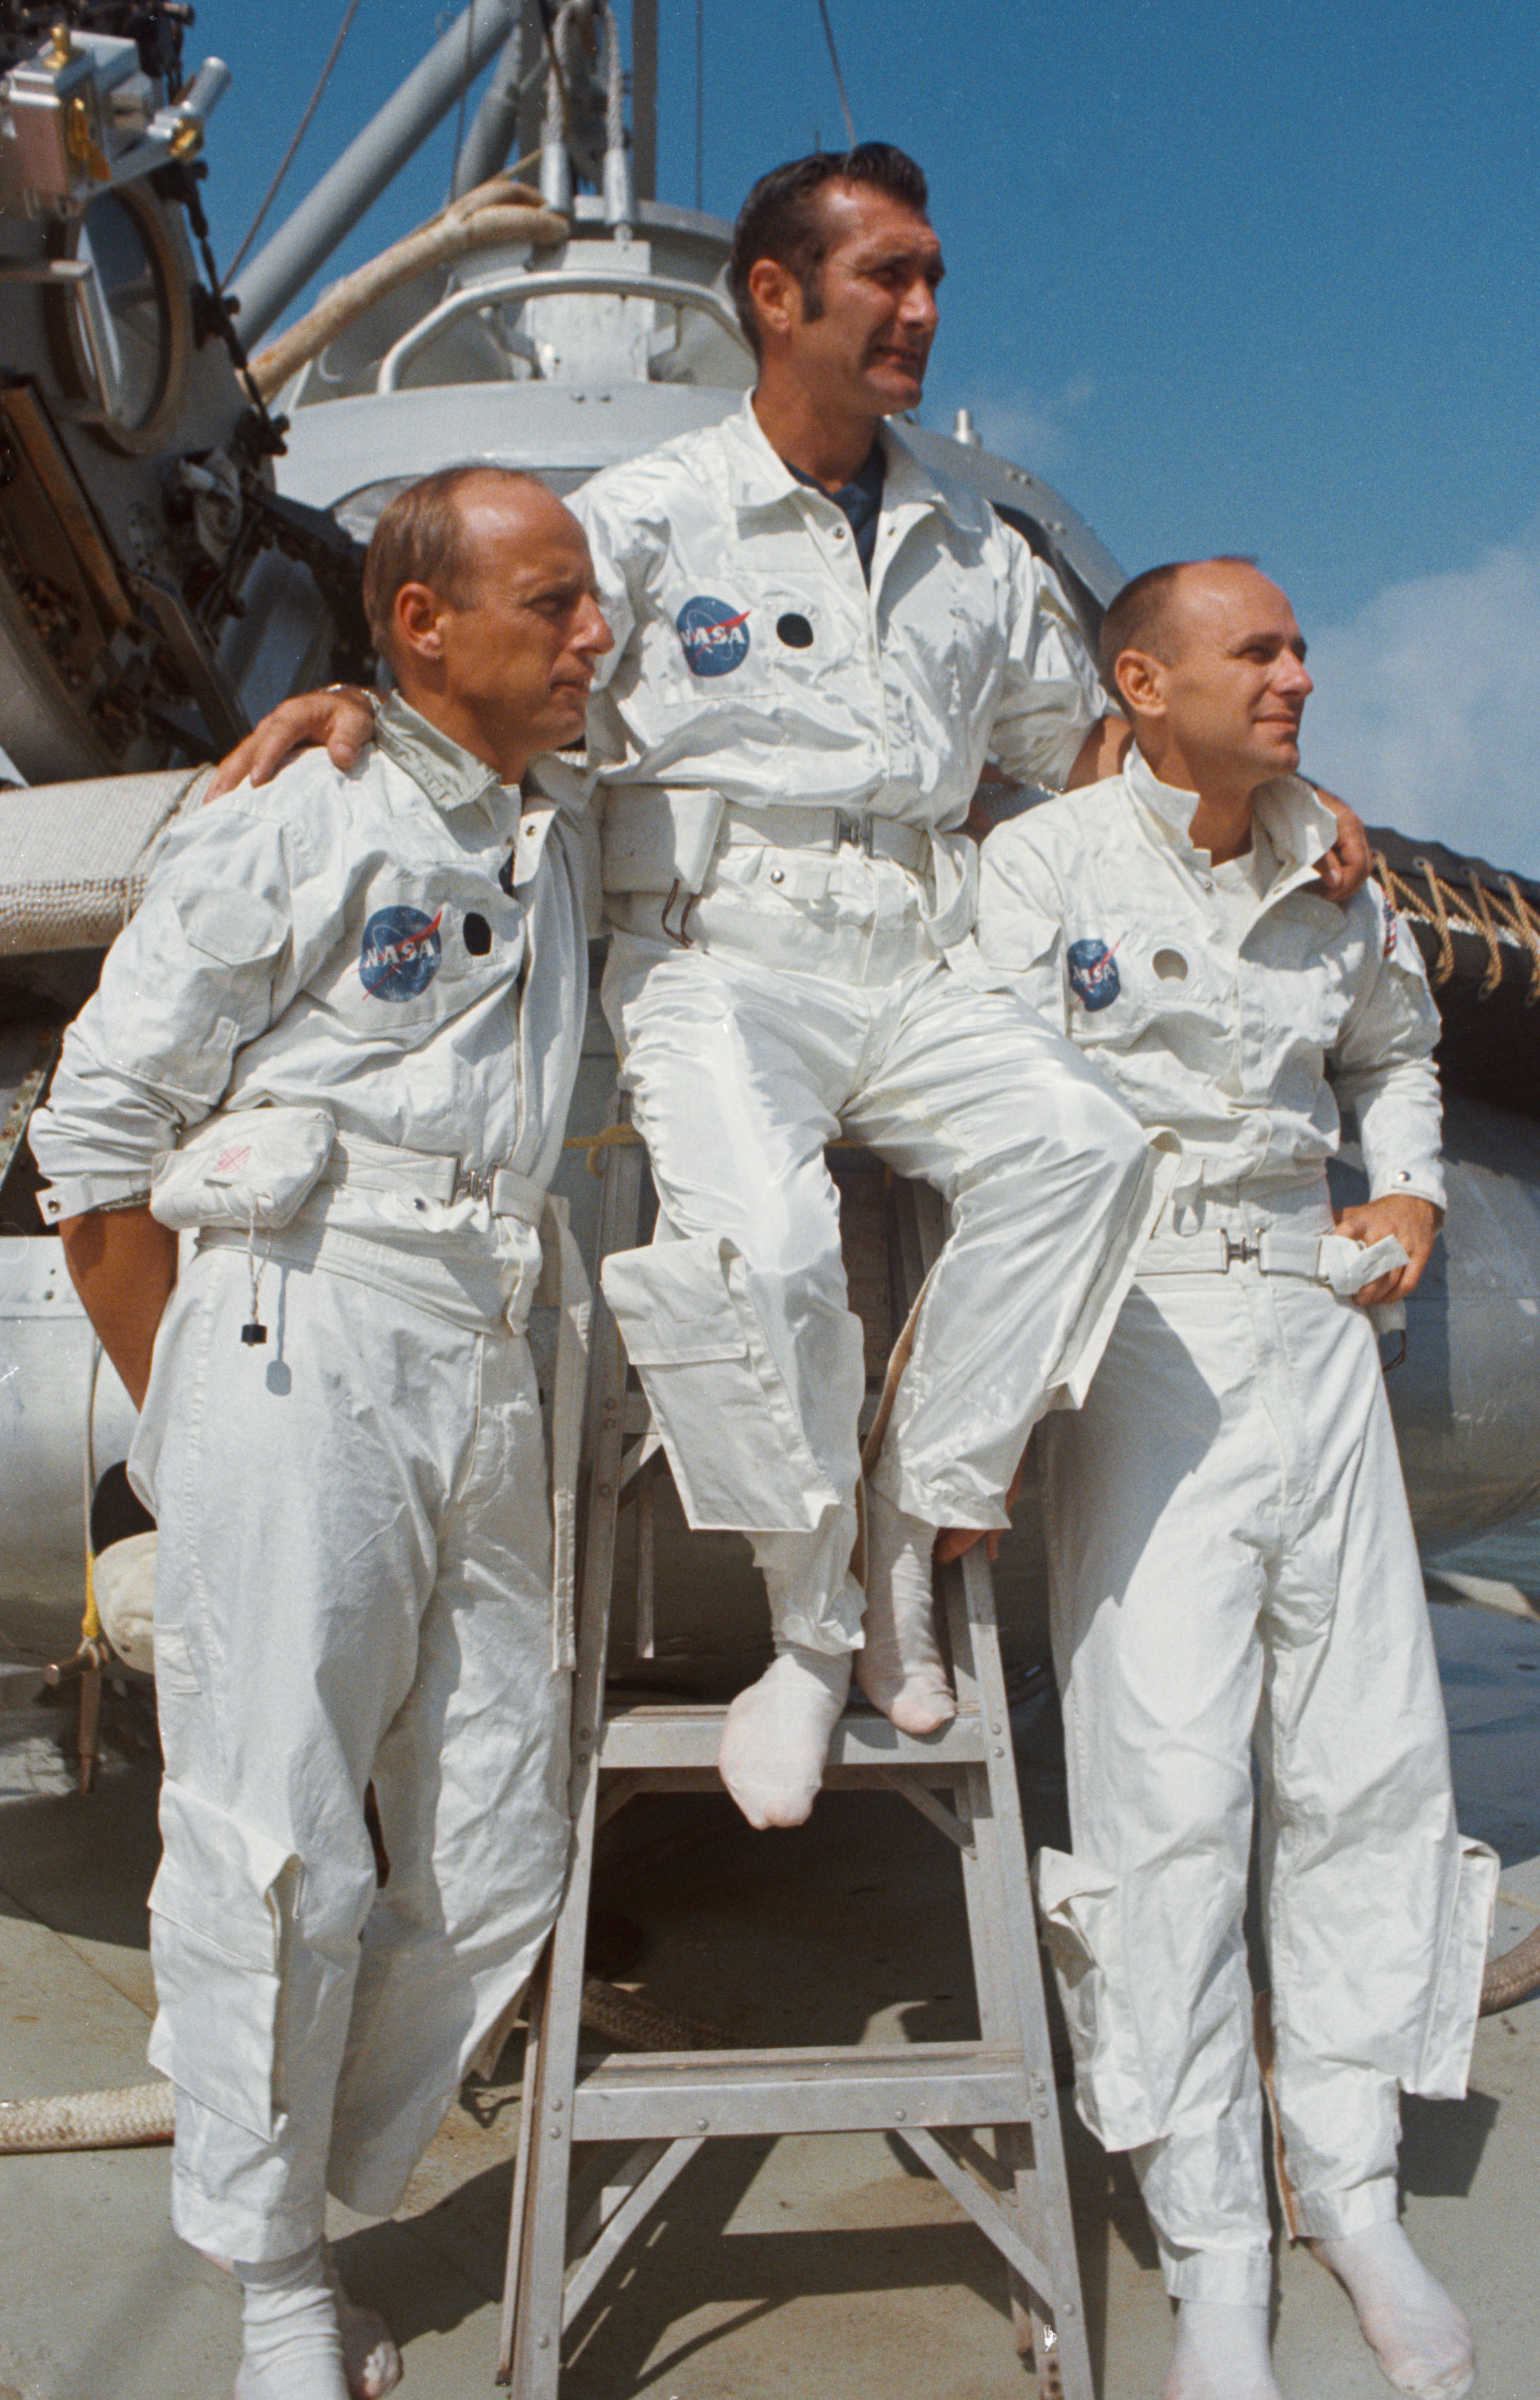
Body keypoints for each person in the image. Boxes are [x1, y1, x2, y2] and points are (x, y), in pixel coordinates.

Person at [214, 146, 1368, 1837]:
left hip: (916, 949)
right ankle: (807, 1633)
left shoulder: (972, 536)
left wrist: (1279, 798)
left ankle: (910, 1535)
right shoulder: (650, 517)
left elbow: (1088, 744)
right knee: (758, 1247)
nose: (920, 310)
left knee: (1084, 1156)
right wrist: (349, 714)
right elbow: (494, 668)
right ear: (776, 295)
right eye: (887, 277)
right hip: (713, 954)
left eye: (931, 280)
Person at [30, 467, 613, 2400]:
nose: (595, 632)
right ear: (425, 626)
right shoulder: (301, 808)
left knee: (500, 1837)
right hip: (302, 1323)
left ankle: (290, 2142)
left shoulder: (553, 820)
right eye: (555, 602)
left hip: (486, 1344)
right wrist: (189, 1428)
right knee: (277, 1836)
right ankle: (273, 2265)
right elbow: (96, 1141)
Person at [974, 557, 1498, 2400]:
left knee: (1362, 1761)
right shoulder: (1041, 875)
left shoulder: (1326, 875)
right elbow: (970, 1088)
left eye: (1295, 643)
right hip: (1141, 1337)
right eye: (1253, 650)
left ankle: (1347, 2185)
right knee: (1167, 1791)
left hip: (1315, 1319)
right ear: (1138, 678)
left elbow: (1396, 1044)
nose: (1296, 673)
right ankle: (1210, 2246)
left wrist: (1410, 1180)